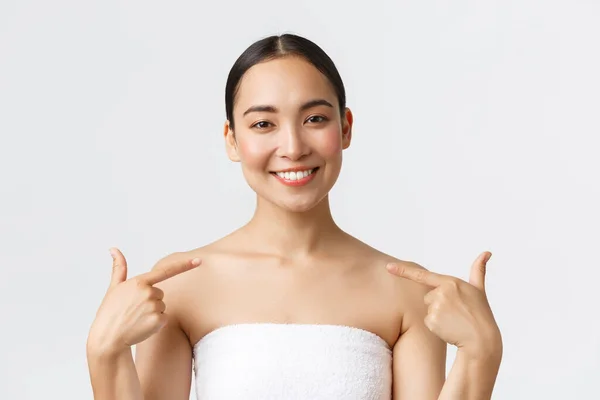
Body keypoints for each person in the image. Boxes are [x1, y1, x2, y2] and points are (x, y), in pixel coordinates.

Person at [86, 33, 503, 400]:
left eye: (314, 119)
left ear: (345, 128)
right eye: (264, 123)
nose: (293, 146)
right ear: (232, 139)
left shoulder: (407, 291)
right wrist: (104, 354)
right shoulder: (181, 284)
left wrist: (481, 356)